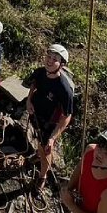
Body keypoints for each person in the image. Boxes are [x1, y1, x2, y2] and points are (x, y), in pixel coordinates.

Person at [26, 44, 73, 192]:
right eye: (49, 57)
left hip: (50, 122)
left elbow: (67, 116)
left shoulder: (64, 89)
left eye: (55, 59)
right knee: (39, 143)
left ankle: (42, 176)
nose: (50, 61)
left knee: (46, 149)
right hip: (36, 114)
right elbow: (34, 83)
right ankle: (37, 154)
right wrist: (28, 100)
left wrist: (53, 138)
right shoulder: (40, 72)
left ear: (62, 64)